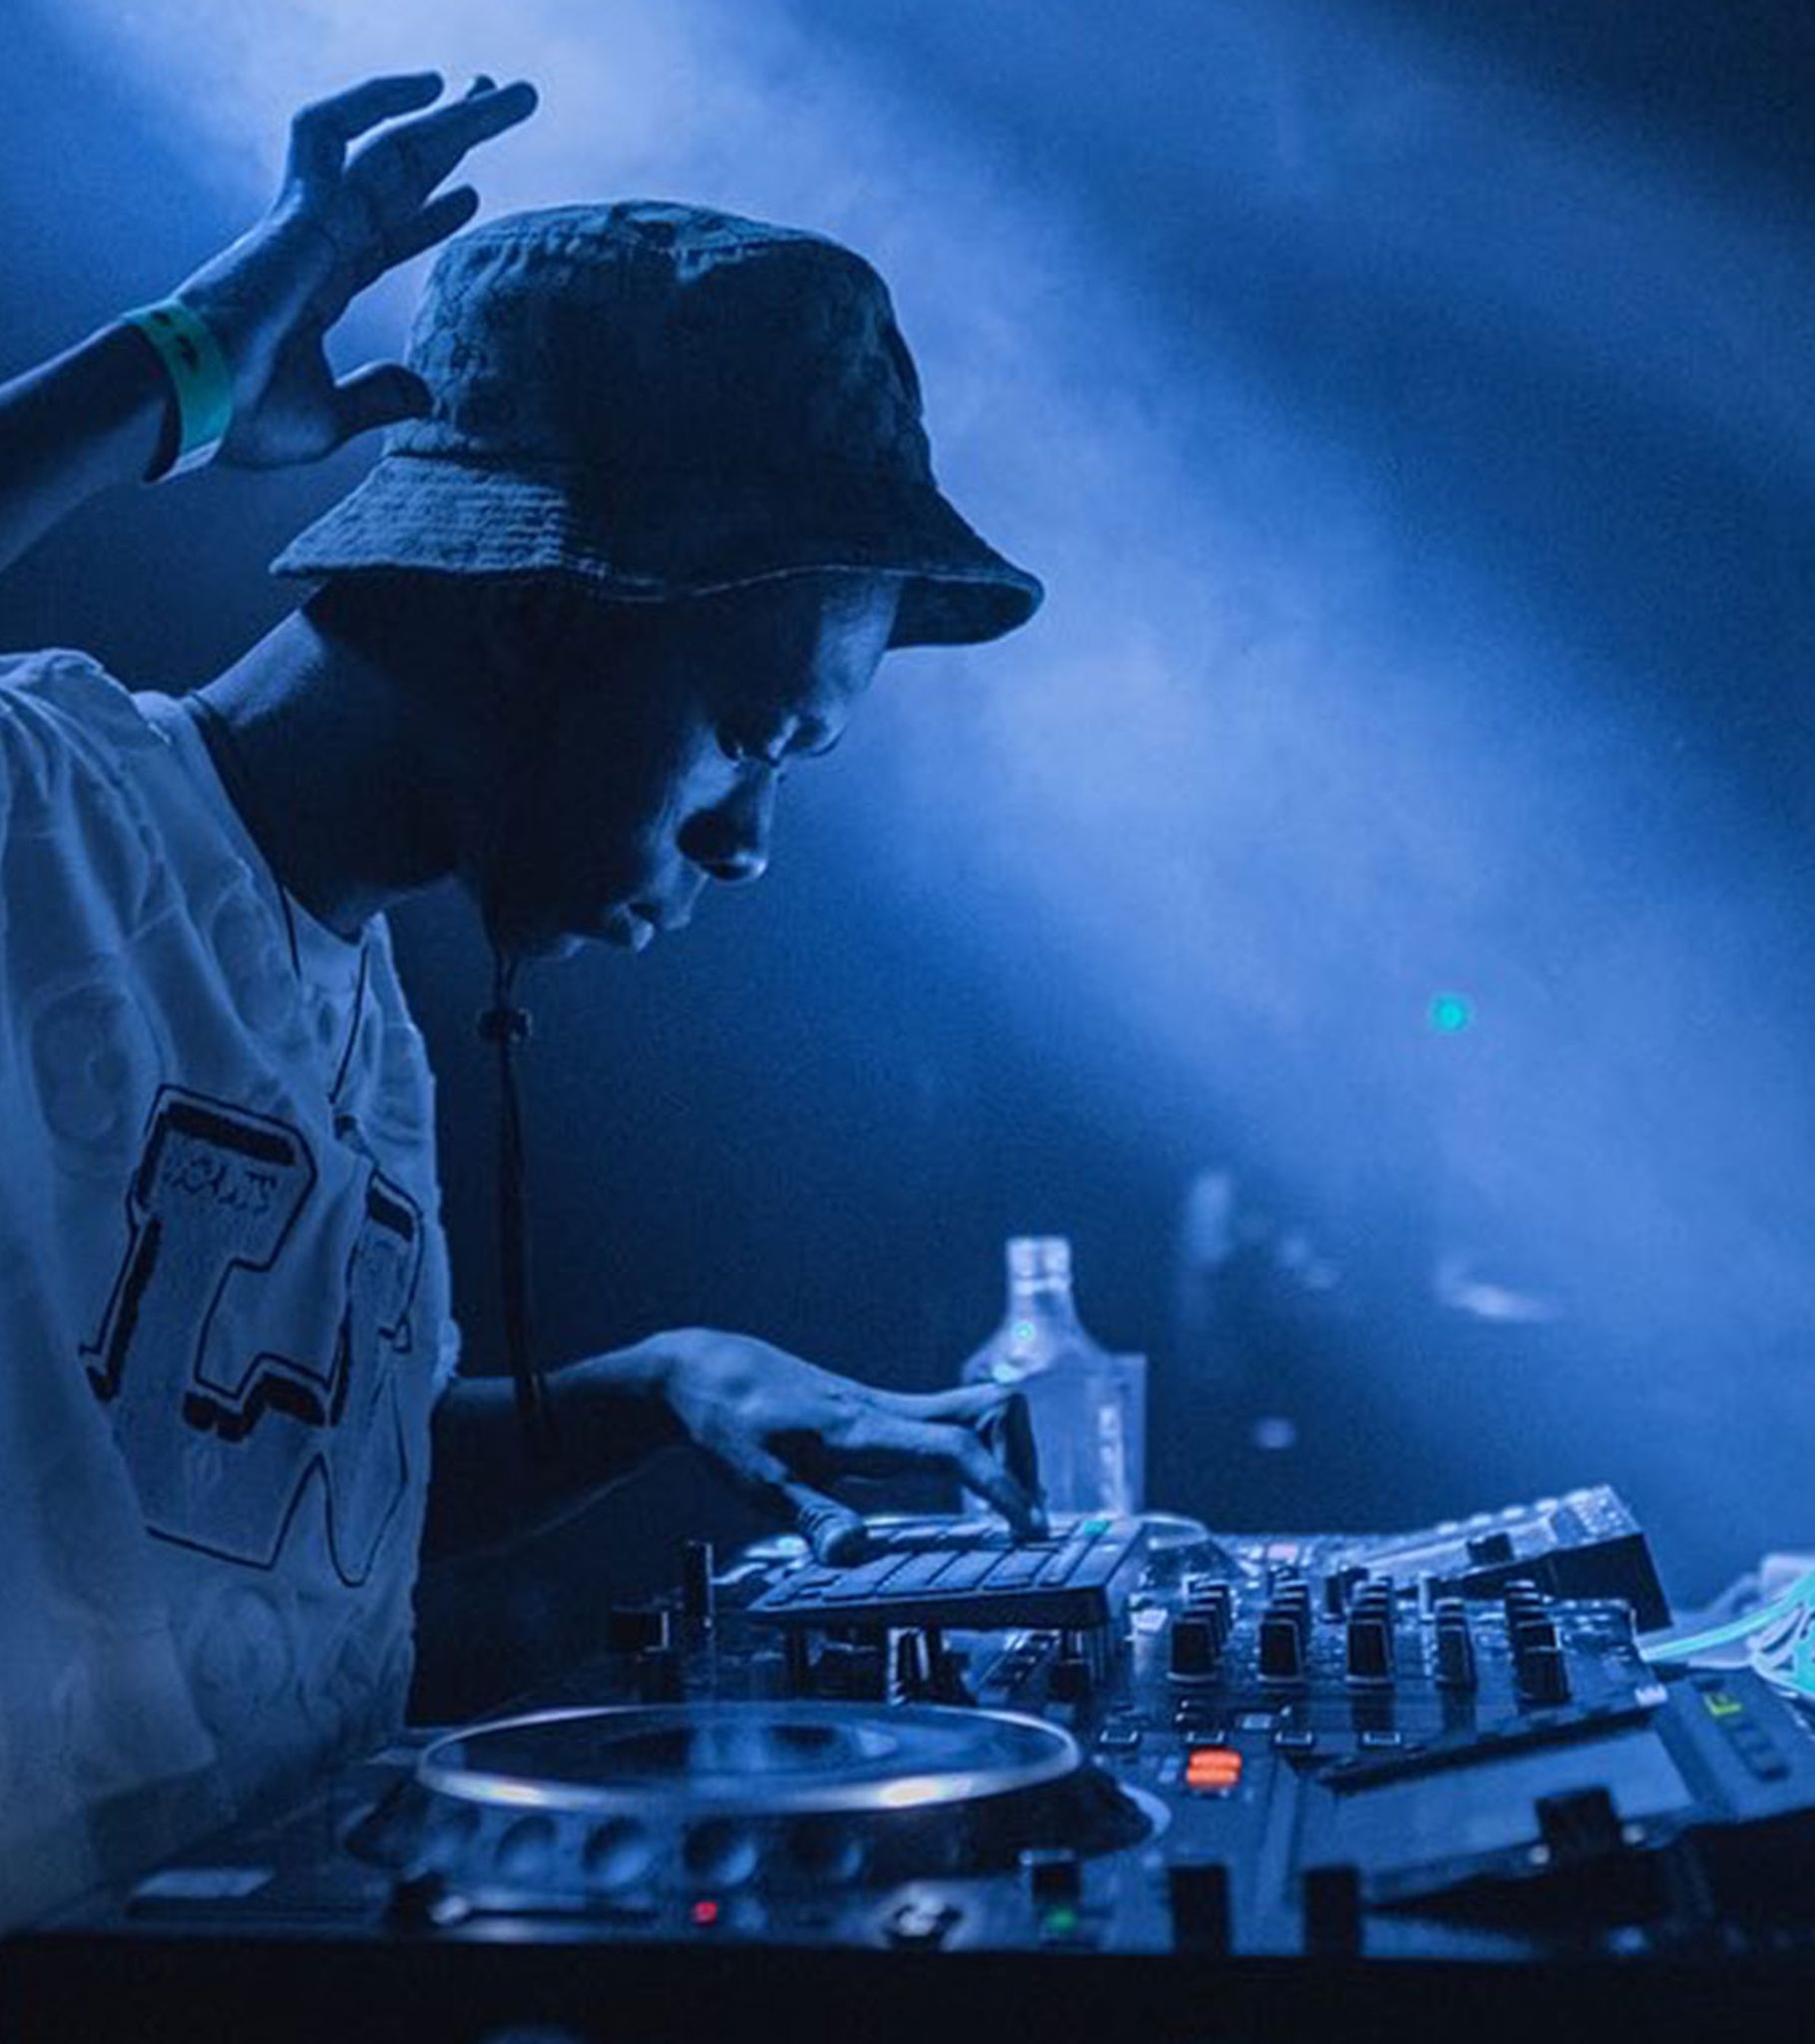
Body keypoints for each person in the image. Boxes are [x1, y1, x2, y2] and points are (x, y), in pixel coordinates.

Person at [0, 71, 1048, 1925]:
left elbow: (280, 1475)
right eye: (753, 734)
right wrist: (190, 363)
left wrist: (658, 1389)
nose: (749, 843)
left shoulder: (370, 1010)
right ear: (537, 616)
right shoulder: (44, 814)